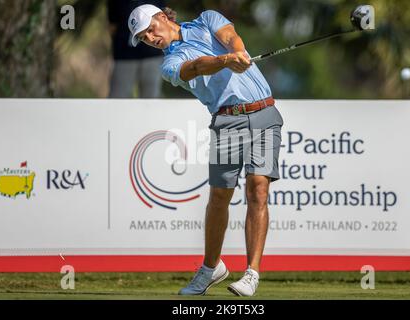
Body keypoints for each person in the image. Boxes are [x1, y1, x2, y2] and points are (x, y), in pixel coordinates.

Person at [128, 4, 284, 296]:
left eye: (150, 29)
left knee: (258, 190)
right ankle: (212, 268)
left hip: (264, 112)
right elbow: (196, 67)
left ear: (163, 16)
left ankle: (251, 273)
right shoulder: (169, 64)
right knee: (220, 197)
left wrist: (238, 51)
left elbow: (230, 36)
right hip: (227, 121)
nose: (150, 37)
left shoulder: (207, 19)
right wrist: (226, 60)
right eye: (143, 37)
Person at [107, 0, 166, 98]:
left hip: (153, 55)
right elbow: (112, 26)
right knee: (117, 99)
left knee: (151, 100)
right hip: (124, 56)